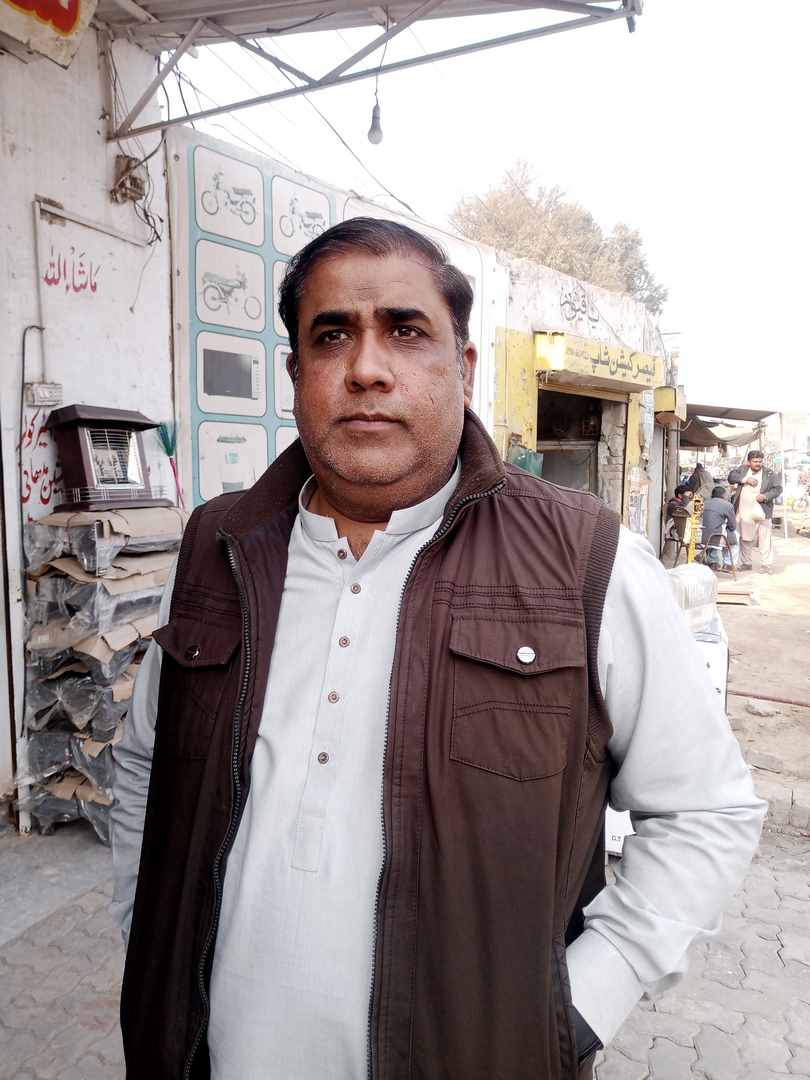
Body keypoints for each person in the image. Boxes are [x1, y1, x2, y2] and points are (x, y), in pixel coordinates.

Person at [111, 218, 764, 1080]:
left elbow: (705, 810)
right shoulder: (218, 547)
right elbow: (144, 764)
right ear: (296, 374)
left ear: (464, 368)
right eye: (332, 335)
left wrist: (579, 1005)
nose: (366, 367)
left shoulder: (584, 562)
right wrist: (148, 937)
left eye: (406, 331)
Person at [728, 450, 782, 573]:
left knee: (764, 538)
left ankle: (766, 564)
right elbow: (731, 477)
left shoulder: (769, 473)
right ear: (749, 462)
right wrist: (745, 479)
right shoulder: (743, 469)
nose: (758, 464)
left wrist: (765, 496)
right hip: (744, 510)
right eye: (755, 461)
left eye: (760, 461)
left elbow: (778, 489)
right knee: (745, 538)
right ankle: (746, 563)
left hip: (762, 510)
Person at [701, 485, 738, 568]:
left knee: (720, 531)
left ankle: (712, 560)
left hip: (702, 536)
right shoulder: (727, 505)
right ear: (723, 495)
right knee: (735, 539)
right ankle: (728, 564)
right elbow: (733, 526)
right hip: (715, 537)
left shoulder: (705, 503)